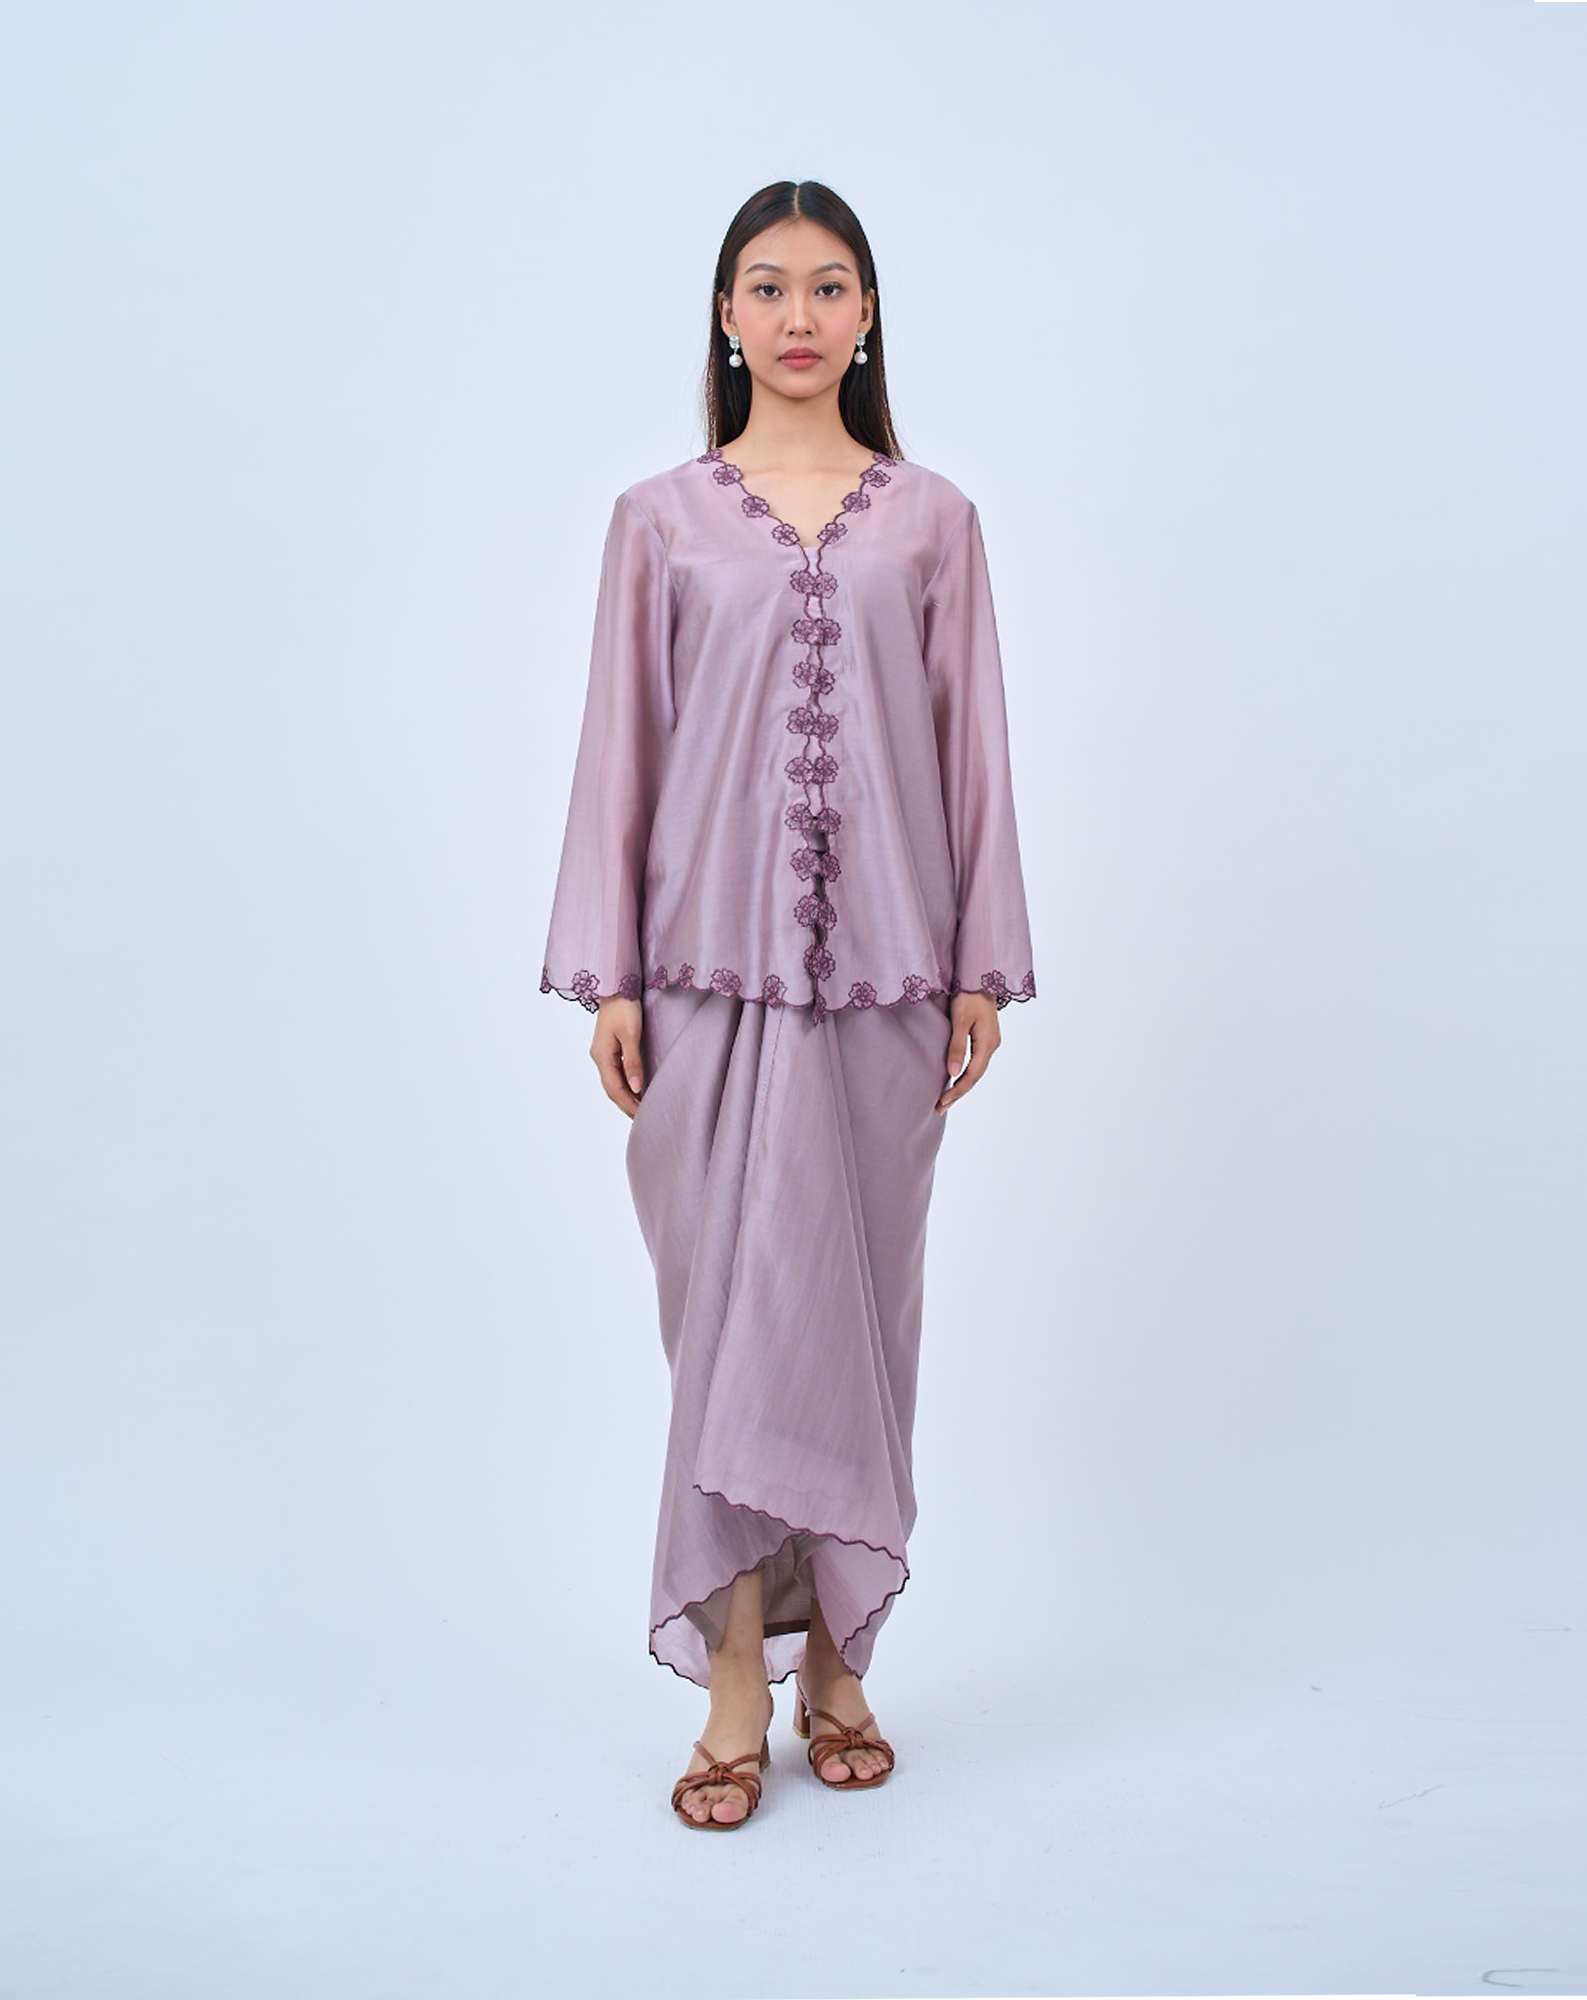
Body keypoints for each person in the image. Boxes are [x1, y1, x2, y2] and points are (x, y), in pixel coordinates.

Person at [540, 180, 1037, 1830]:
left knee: (860, 1322)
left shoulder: (934, 520)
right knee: (722, 1331)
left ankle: (839, 1666)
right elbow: (621, 748)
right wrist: (610, 973)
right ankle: (737, 1674)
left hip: (890, 983)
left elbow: (975, 750)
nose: (800, 315)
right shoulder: (660, 520)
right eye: (768, 286)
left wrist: (981, 963)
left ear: (869, 315)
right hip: (701, 980)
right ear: (727, 316)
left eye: (830, 287)